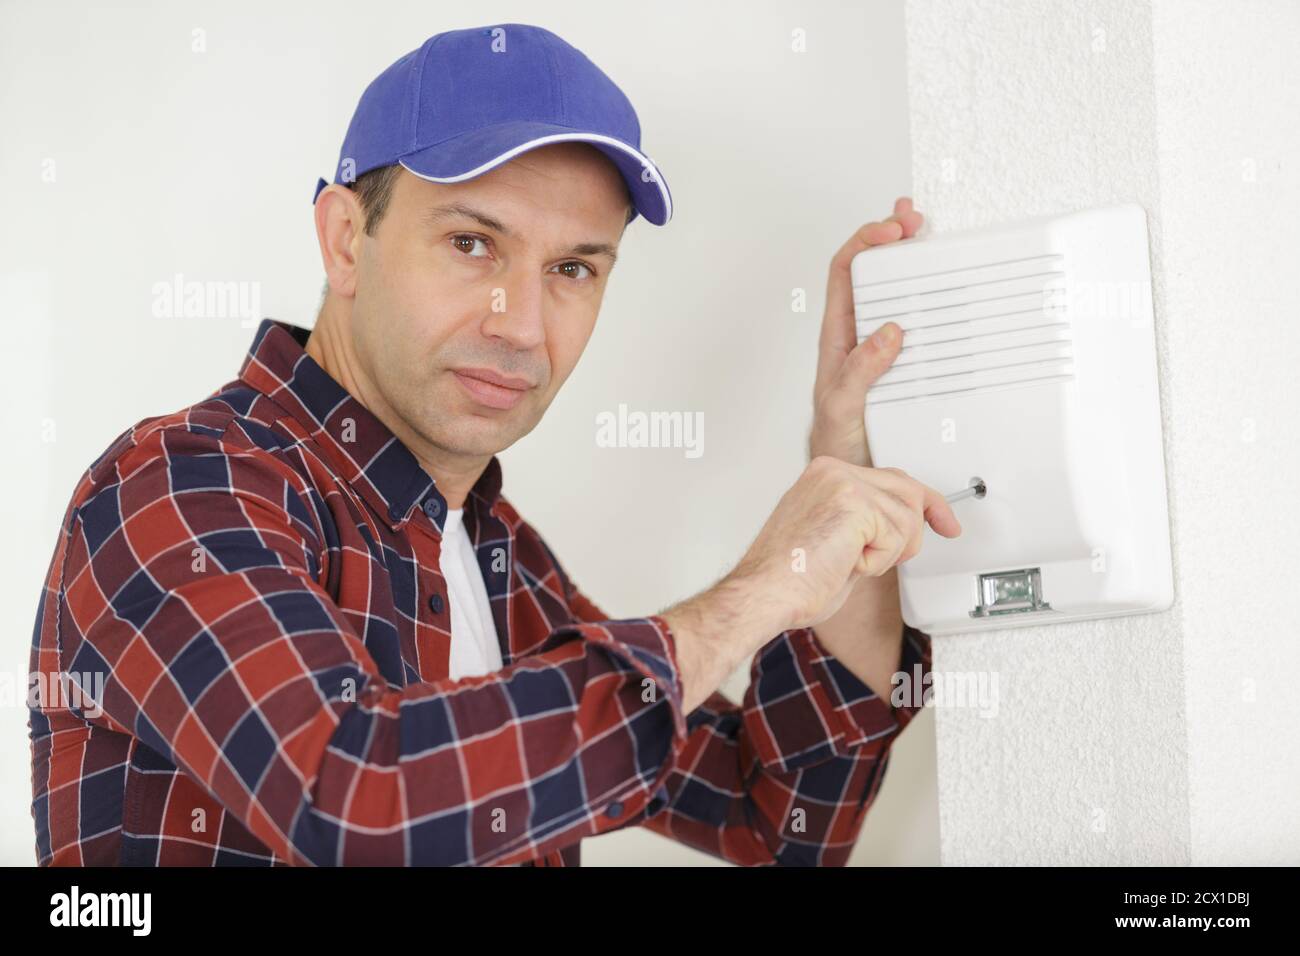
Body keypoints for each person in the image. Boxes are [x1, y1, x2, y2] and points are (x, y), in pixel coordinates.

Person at [28, 22, 959, 867]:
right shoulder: (180, 485)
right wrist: (754, 595)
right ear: (346, 239)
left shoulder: (495, 554)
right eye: (473, 244)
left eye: (572, 268)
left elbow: (779, 818)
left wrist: (847, 461)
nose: (521, 326)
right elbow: (355, 797)